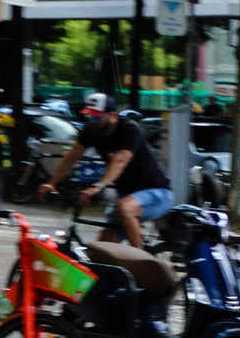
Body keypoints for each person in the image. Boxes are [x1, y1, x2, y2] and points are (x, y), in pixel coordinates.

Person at [38, 92, 171, 249]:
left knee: (124, 208)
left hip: (157, 193)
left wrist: (98, 187)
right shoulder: (92, 132)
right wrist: (52, 183)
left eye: (96, 117)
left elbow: (120, 160)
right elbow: (72, 157)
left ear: (112, 116)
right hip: (126, 196)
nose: (91, 122)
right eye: (88, 117)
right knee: (101, 252)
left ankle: (143, 264)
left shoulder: (129, 130)